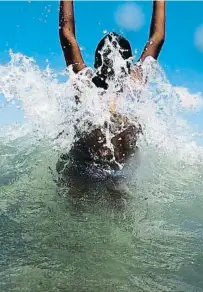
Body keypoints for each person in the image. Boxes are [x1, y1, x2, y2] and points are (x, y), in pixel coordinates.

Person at [57, 0, 166, 191]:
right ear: (128, 61)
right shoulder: (86, 82)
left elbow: (157, 38)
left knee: (118, 189)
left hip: (115, 173)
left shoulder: (133, 83)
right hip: (82, 167)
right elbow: (67, 35)